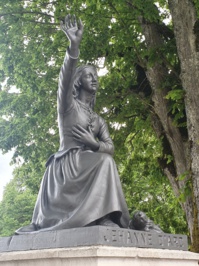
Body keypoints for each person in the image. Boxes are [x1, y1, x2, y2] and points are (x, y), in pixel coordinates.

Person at [15, 14, 130, 234]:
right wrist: (73, 47)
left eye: (96, 76)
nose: (94, 79)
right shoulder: (68, 106)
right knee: (105, 162)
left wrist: (93, 143)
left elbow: (110, 147)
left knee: (105, 159)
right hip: (67, 164)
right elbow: (63, 81)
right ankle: (103, 216)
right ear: (79, 81)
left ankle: (104, 217)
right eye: (89, 76)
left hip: (87, 162)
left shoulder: (99, 120)